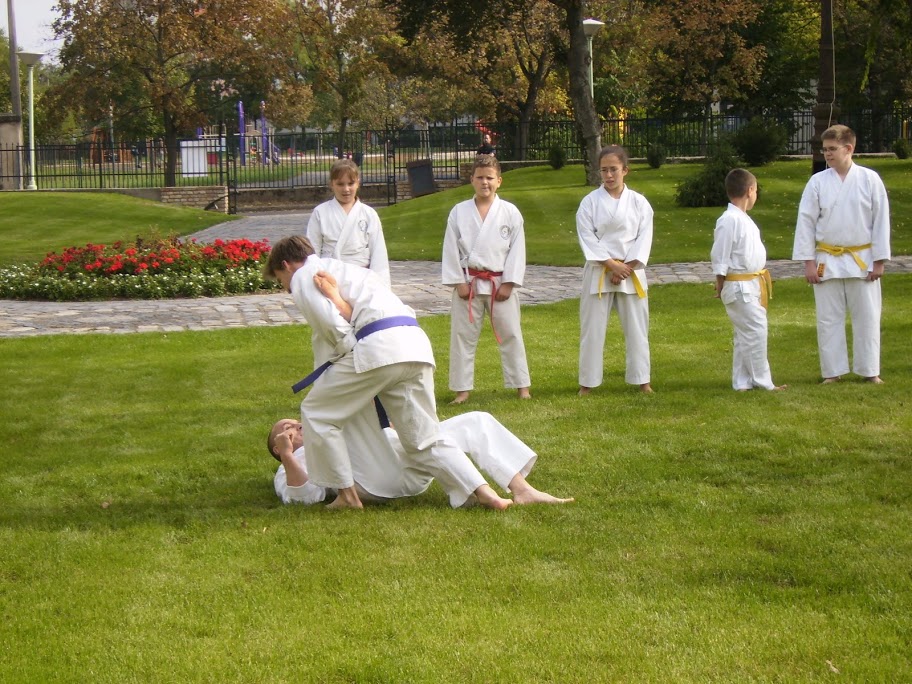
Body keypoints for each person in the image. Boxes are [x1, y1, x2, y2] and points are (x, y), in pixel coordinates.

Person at [265, 235, 513, 511]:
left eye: (282, 281)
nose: (287, 287)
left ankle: (347, 496)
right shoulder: (351, 271)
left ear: (285, 265)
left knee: (316, 412)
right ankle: (485, 493)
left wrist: (345, 354)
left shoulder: (305, 276)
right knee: (423, 437)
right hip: (414, 344)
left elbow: (332, 325)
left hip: (377, 347)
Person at [269, 411, 573, 507]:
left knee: (475, 421)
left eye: (295, 421)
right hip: (378, 478)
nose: (295, 425)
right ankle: (481, 493)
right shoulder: (293, 462)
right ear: (277, 447)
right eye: (286, 428)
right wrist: (288, 455)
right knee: (347, 418)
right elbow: (302, 497)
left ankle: (522, 489)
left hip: (410, 458)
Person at [792, 124, 891, 384]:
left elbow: (881, 221)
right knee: (828, 319)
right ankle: (832, 372)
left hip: (862, 258)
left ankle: (870, 371)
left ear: (849, 148)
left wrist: (879, 260)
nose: (827, 154)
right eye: (824, 149)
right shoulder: (817, 182)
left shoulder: (870, 180)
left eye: (832, 149)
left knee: (868, 317)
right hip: (827, 259)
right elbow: (806, 223)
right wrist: (808, 262)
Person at [441, 154, 531, 405]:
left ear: (499, 181)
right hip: (469, 282)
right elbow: (450, 249)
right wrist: (458, 282)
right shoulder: (459, 212)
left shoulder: (510, 212)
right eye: (480, 177)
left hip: (500, 282)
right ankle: (461, 390)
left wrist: (509, 283)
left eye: (490, 178)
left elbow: (517, 250)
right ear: (471, 179)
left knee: (511, 334)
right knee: (462, 337)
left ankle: (522, 386)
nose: (485, 182)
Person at [576, 145, 654, 395]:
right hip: (600, 270)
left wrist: (625, 268)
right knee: (592, 329)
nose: (608, 175)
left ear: (625, 170)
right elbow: (587, 237)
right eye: (604, 170)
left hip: (631, 270)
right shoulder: (589, 203)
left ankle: (642, 380)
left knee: (637, 329)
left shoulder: (639, 203)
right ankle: (587, 383)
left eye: (613, 170)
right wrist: (611, 265)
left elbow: (644, 238)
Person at [711, 169, 786, 392]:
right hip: (739, 285)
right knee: (756, 330)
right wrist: (720, 280)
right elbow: (720, 254)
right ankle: (764, 382)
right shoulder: (729, 220)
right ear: (750, 190)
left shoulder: (742, 218)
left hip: (750, 283)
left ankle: (742, 382)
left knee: (744, 334)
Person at [307, 158, 390, 288]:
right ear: (331, 184)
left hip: (361, 278)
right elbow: (312, 251)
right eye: (340, 184)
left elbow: (378, 253)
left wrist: (381, 286)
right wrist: (315, 282)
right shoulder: (320, 212)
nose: (346, 189)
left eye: (351, 183)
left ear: (358, 183)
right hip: (330, 277)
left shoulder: (368, 214)